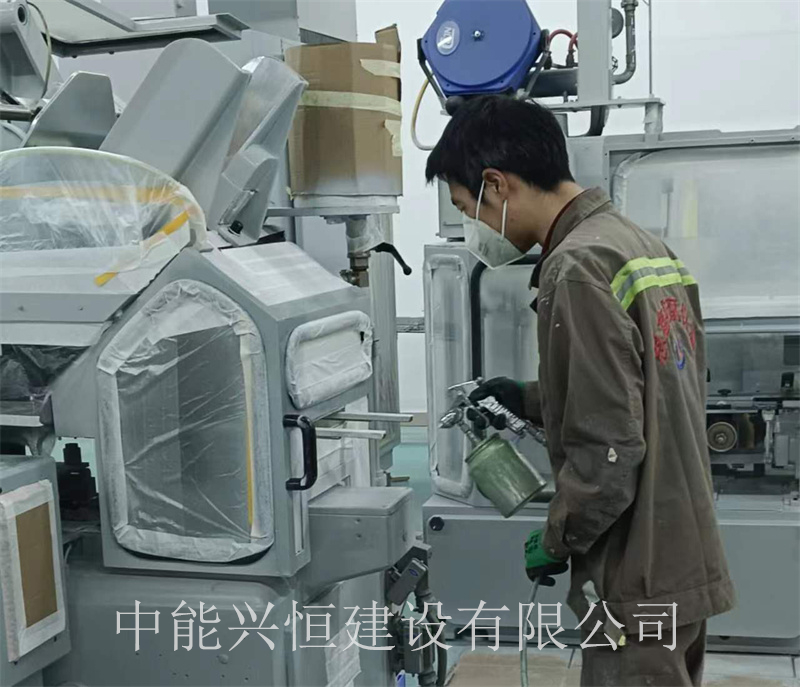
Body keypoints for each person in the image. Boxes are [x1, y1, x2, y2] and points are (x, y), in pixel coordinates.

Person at [425, 95, 735, 687]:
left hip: (635, 568)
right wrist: (530, 397)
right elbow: (650, 391)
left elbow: (610, 447)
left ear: (497, 184)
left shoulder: (576, 267)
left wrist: (559, 538)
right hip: (680, 544)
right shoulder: (640, 245)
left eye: (467, 209)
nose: (473, 230)